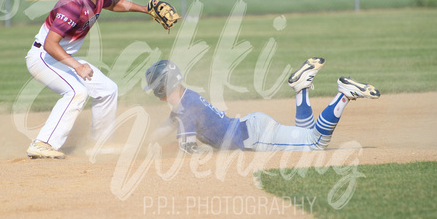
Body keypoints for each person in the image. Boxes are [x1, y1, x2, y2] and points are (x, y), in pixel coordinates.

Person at [26, 0, 178, 159]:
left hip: (60, 57)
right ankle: (43, 143)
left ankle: (100, 144)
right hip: (44, 58)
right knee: (76, 92)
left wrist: (145, 9)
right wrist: (77, 66)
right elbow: (50, 45)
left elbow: (113, 3)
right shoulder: (72, 5)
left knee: (107, 89)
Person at [143, 58, 380, 154]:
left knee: (316, 143)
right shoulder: (186, 98)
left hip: (255, 136)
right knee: (307, 135)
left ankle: (344, 95)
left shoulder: (186, 108)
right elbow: (171, 123)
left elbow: (189, 150)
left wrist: (155, 152)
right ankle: (301, 88)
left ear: (161, 88)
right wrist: (150, 141)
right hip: (252, 127)